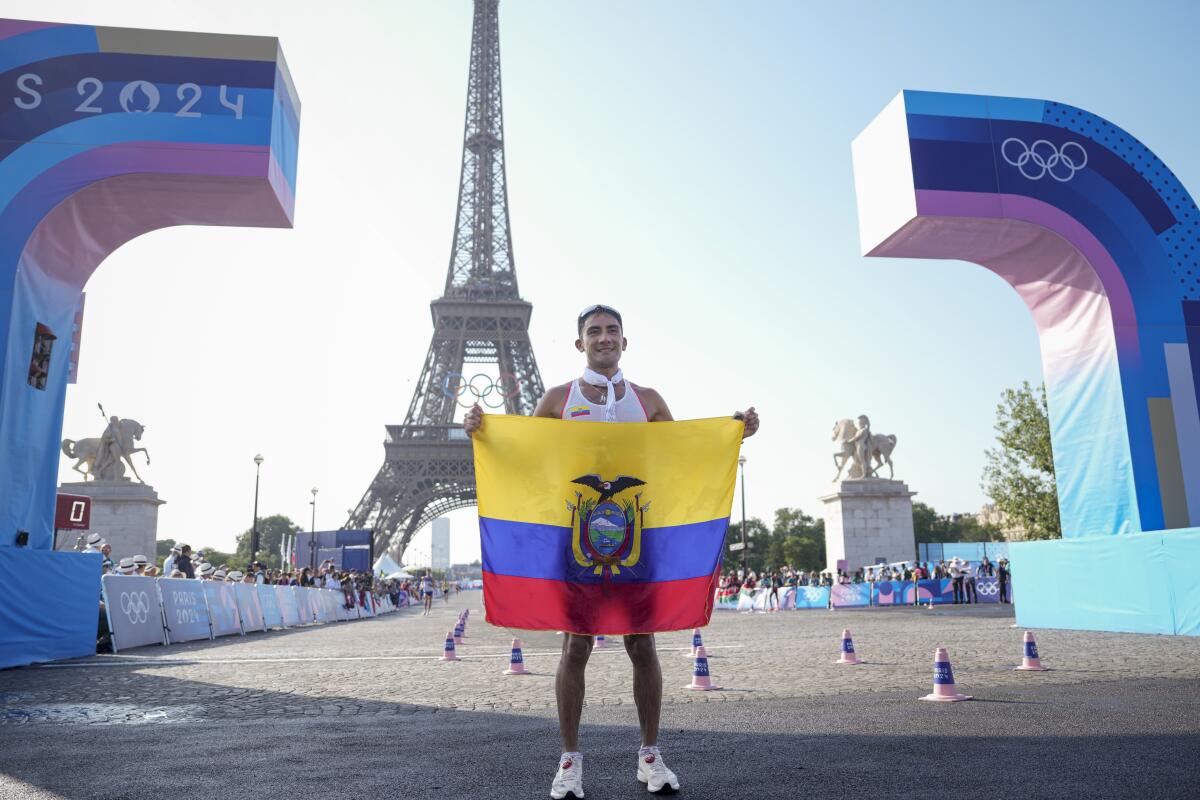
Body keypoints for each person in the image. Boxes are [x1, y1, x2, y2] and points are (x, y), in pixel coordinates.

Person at [464, 303, 759, 798]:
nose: (604, 338)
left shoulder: (648, 400)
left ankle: (649, 755)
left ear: (625, 342)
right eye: (594, 332)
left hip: (635, 537)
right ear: (580, 344)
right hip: (578, 539)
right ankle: (570, 760)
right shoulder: (559, 398)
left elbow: (683, 455)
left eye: (612, 331)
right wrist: (484, 428)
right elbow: (525, 454)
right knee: (574, 645)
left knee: (641, 643)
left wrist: (731, 433)